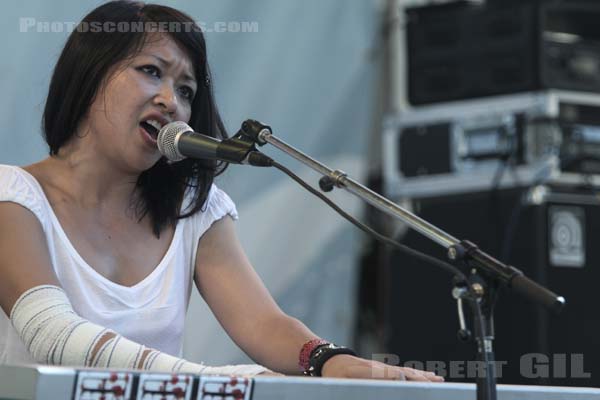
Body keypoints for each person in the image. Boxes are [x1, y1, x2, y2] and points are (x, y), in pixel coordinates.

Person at [0, 1, 442, 381]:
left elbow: (264, 324)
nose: (171, 101)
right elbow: (52, 333)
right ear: (89, 76)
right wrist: (212, 381)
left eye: (186, 90)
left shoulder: (194, 210)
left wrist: (330, 361)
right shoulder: (13, 195)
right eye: (151, 72)